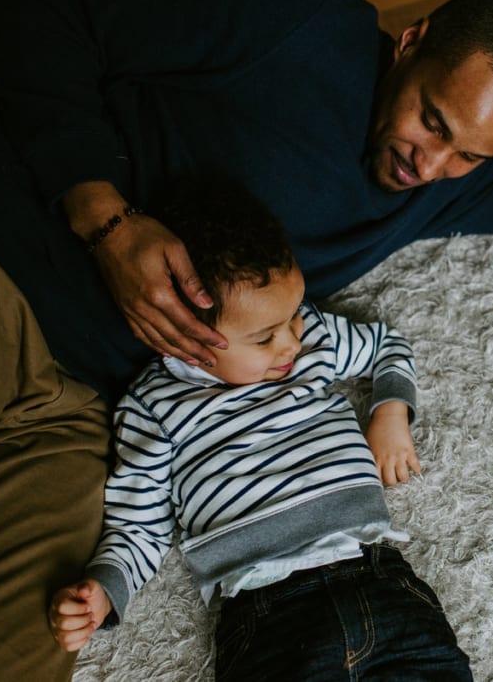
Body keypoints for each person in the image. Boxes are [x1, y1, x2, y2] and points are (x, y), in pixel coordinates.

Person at [0, 0, 493, 678]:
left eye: (468, 155)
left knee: (3, 654)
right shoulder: (298, 27)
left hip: (91, 407)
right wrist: (103, 214)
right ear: (411, 45)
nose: (431, 164)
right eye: (432, 120)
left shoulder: (454, 176)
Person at [48, 174, 471, 679]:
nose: (293, 342)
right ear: (183, 333)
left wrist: (390, 414)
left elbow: (386, 348)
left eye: (293, 316)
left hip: (376, 575)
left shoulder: (311, 338)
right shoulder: (154, 407)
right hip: (268, 609)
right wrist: (105, 588)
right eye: (265, 337)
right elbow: (139, 524)